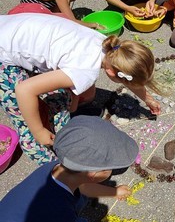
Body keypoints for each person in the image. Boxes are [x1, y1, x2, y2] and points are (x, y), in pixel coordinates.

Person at [0, 13, 161, 165]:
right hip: (4, 55)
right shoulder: (85, 71)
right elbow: (24, 90)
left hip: (11, 28)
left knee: (70, 97)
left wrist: (148, 99)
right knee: (28, 125)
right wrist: (39, 130)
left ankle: (57, 123)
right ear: (113, 72)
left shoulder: (111, 46)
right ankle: (54, 169)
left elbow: (123, 73)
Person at [0, 115, 139, 222]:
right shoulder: (60, 218)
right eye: (111, 169)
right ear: (94, 173)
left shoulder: (57, 167)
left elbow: (83, 186)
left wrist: (114, 191)